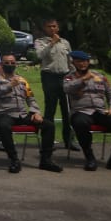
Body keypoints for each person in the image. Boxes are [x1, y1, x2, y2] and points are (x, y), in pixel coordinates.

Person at [0, 53, 63, 173]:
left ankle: (45, 160)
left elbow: (30, 99)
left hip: (22, 114)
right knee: (3, 126)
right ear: (1, 65)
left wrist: (36, 112)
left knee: (48, 125)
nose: (10, 65)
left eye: (12, 62)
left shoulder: (22, 80)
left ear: (16, 64)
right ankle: (14, 160)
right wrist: (9, 85)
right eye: (6, 63)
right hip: (5, 114)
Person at [64, 50, 111, 172]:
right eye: (79, 62)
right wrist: (83, 79)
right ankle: (89, 157)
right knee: (80, 123)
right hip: (81, 111)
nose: (83, 64)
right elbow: (67, 89)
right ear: (73, 63)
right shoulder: (69, 78)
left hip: (100, 112)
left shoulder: (100, 77)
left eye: (85, 61)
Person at [34, 18, 75, 149]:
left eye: (54, 26)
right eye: (49, 26)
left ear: (58, 28)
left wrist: (74, 75)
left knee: (67, 109)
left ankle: (68, 140)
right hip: (49, 76)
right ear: (45, 28)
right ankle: (48, 141)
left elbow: (70, 61)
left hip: (65, 76)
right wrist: (52, 43)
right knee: (50, 109)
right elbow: (40, 56)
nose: (52, 29)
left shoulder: (65, 43)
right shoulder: (40, 42)